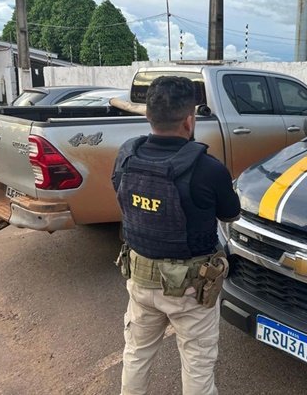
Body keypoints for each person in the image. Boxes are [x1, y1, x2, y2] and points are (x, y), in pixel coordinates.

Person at [111, 76, 240, 395]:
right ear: (189, 120)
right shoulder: (209, 169)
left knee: (136, 355)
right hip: (191, 291)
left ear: (147, 116)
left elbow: (121, 194)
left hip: (141, 281)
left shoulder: (127, 156)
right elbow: (230, 214)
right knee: (197, 366)